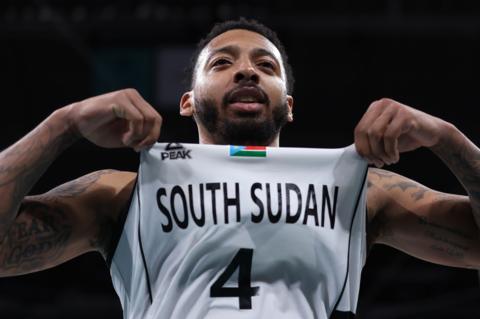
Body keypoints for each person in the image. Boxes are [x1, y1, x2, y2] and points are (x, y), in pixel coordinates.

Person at [0, 18, 479, 318]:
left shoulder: (358, 190)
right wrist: (63, 125)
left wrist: (447, 138)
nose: (247, 71)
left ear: (288, 106)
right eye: (222, 63)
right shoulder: (126, 192)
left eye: (266, 66)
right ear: (187, 102)